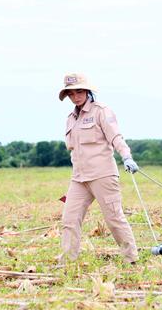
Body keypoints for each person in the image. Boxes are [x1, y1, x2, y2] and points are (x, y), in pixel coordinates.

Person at [58, 73, 140, 265]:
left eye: (79, 92)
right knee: (69, 220)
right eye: (71, 94)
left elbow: (116, 137)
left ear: (87, 91)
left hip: (103, 175)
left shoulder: (101, 111)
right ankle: (66, 263)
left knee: (114, 219)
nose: (76, 97)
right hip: (79, 178)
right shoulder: (71, 118)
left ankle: (131, 259)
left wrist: (126, 156)